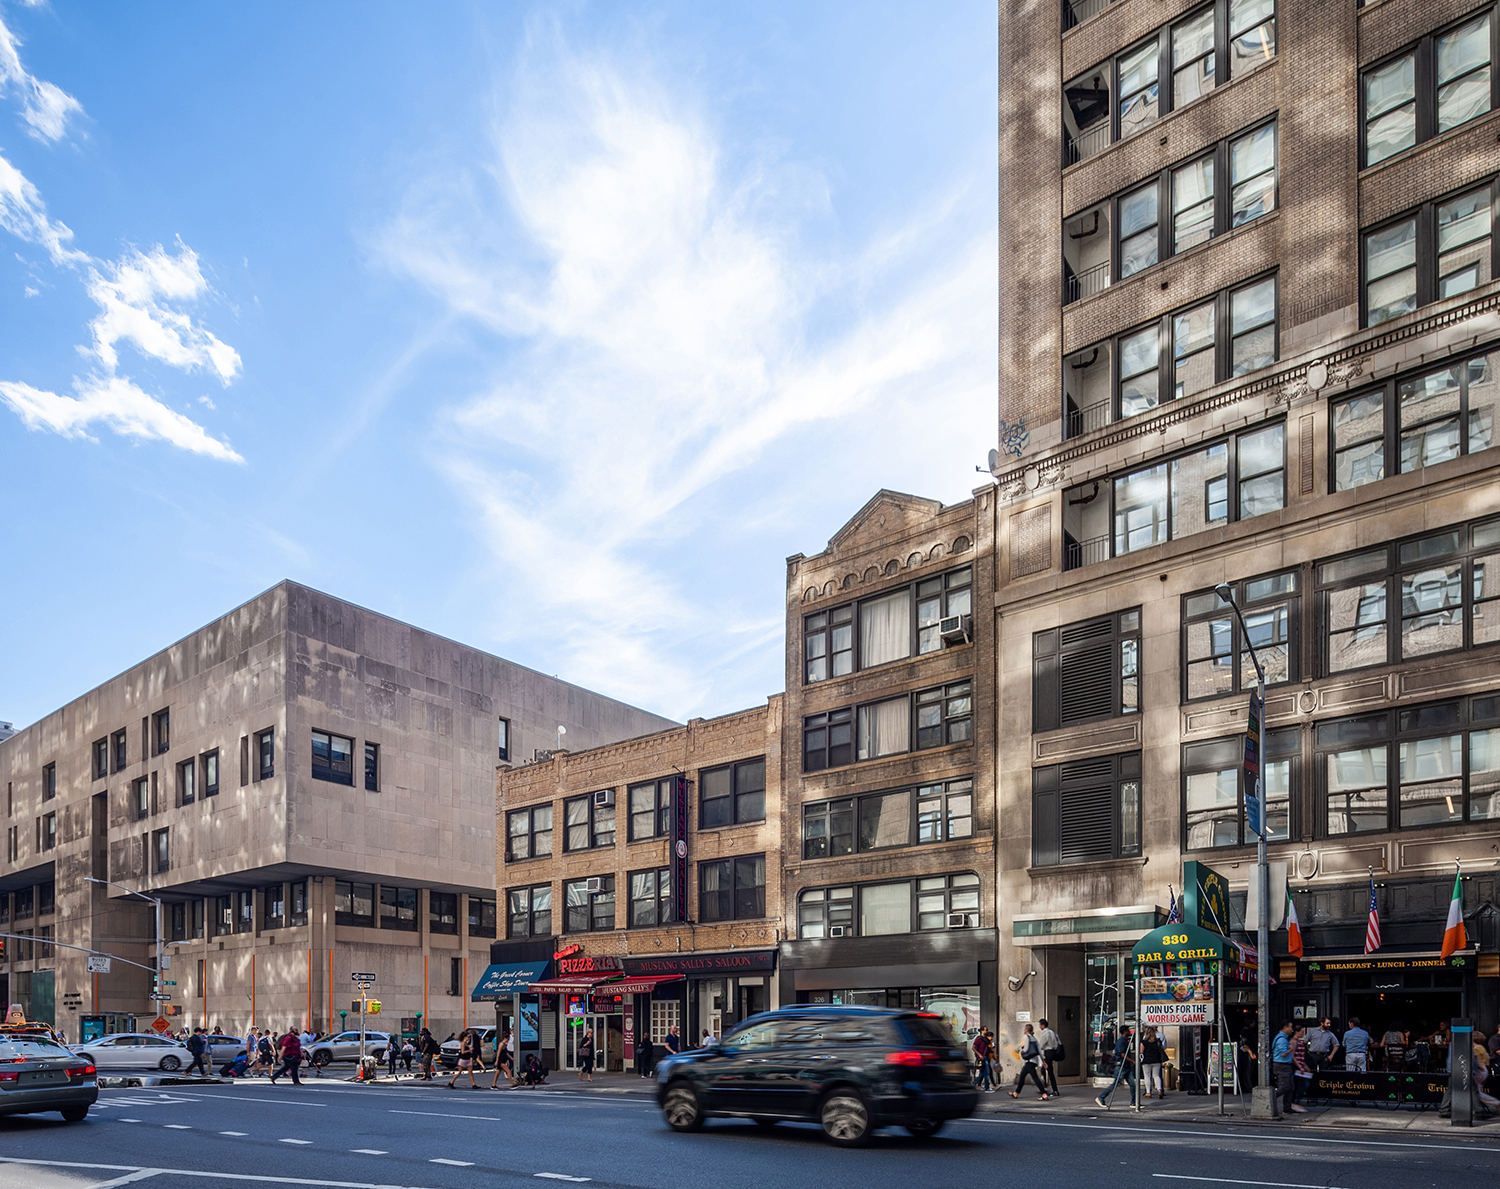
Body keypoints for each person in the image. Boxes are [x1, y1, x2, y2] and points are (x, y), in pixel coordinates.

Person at [1096, 1025, 1136, 1109]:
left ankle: (1134, 1102)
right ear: (1124, 1032)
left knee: (1132, 1084)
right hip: (1121, 1066)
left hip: (1126, 1066)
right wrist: (1133, 1061)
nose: (1129, 1032)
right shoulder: (1121, 1042)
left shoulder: (1126, 1041)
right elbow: (1122, 1055)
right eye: (1128, 1030)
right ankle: (1101, 1097)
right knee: (1115, 1084)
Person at [1009, 1024, 1051, 1100]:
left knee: (1035, 1078)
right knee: (1022, 1076)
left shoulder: (1026, 1037)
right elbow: (1039, 1050)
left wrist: (1021, 1051)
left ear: (1027, 1029)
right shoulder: (1034, 1039)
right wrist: (1043, 1061)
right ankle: (1016, 1093)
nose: (1024, 1030)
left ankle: (1044, 1094)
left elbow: (1026, 1048)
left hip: (1029, 1061)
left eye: (1025, 1029)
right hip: (1034, 1061)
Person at [1271, 1021, 1303, 1113]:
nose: (1292, 1030)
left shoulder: (1284, 1038)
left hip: (1285, 1065)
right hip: (1281, 1065)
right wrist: (1291, 1049)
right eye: (1290, 1027)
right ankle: (1270, 1098)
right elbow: (1283, 1053)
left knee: (1290, 1087)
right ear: (1285, 1027)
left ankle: (1287, 1107)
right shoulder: (1281, 1039)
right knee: (1285, 1087)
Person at [1037, 1018, 1062, 1096]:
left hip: (1048, 1052)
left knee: (1049, 1071)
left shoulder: (1044, 1034)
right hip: (1054, 1052)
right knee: (1045, 1069)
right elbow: (1059, 1042)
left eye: (1040, 1025)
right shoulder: (1053, 1032)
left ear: (1042, 1025)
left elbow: (1041, 1046)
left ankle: (1054, 1089)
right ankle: (1044, 1087)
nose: (1039, 1027)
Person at [1140, 1027, 1166, 1099]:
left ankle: (1148, 1092)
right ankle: (1159, 1090)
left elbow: (1141, 1053)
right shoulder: (1158, 1041)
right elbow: (1162, 1048)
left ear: (1146, 1033)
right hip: (1156, 1060)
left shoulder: (1143, 1042)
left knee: (1147, 1076)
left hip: (1146, 1061)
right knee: (1156, 1076)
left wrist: (1141, 1059)